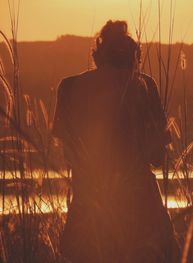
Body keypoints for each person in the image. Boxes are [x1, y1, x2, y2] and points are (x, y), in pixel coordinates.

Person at [52, 20, 178, 263]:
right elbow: (157, 157)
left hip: (88, 205)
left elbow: (67, 153)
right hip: (142, 210)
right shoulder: (144, 84)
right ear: (134, 58)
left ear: (97, 56)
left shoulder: (68, 88)